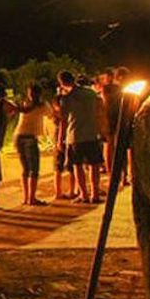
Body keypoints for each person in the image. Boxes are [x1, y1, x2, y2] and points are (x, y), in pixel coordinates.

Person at [56, 71, 103, 204]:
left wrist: (60, 140)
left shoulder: (67, 98)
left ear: (62, 83)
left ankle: (84, 194)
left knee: (77, 165)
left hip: (75, 135)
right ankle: (95, 194)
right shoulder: (90, 93)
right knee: (94, 165)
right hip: (92, 133)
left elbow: (63, 121)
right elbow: (99, 110)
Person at [13, 84, 51, 206]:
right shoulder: (42, 105)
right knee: (33, 169)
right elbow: (51, 115)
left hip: (18, 136)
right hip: (30, 137)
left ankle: (26, 198)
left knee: (25, 169)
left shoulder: (24, 104)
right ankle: (32, 198)